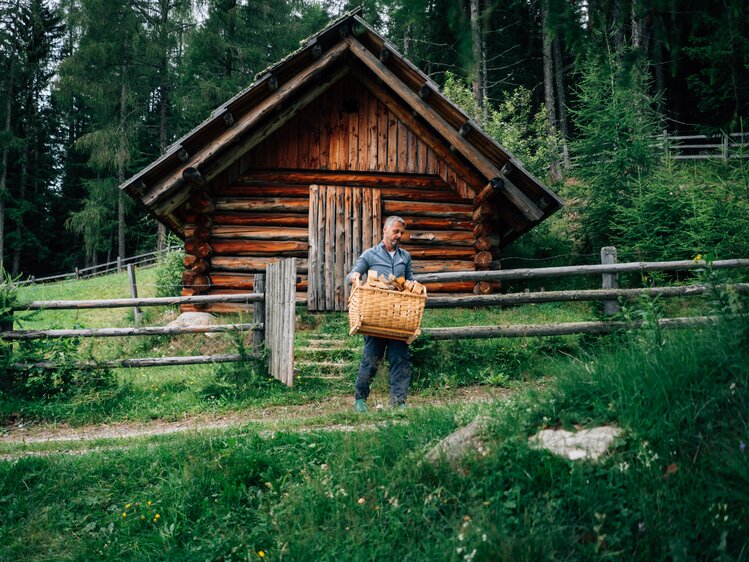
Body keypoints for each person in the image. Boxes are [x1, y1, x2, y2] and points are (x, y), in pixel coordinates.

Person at [348, 215, 414, 412]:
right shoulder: (370, 255)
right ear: (385, 231)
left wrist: (414, 285)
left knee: (400, 359)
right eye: (395, 231)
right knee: (371, 359)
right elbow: (352, 273)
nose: (399, 235)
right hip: (376, 316)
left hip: (398, 317)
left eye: (401, 232)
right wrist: (354, 276)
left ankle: (398, 402)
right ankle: (360, 400)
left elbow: (409, 280)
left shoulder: (405, 257)